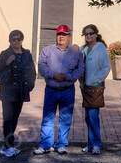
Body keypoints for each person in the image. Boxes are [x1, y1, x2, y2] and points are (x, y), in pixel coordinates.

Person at [34, 25, 84, 155]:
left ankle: (61, 144)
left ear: (69, 37)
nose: (61, 37)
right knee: (48, 118)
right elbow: (41, 65)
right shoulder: (47, 51)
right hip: (51, 89)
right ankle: (45, 144)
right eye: (59, 34)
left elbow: (80, 69)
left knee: (66, 118)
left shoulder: (76, 53)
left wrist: (68, 77)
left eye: (64, 34)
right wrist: (52, 74)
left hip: (67, 90)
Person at [0, 29, 36, 157]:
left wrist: (30, 86)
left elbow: (32, 71)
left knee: (15, 118)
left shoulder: (26, 54)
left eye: (18, 39)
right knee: (8, 119)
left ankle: (7, 145)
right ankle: (9, 145)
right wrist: (6, 62)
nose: (16, 41)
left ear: (22, 40)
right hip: (8, 91)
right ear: (10, 41)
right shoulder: (5, 54)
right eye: (13, 39)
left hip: (21, 91)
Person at [80, 24, 111, 155]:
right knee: (87, 117)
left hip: (94, 87)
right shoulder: (84, 49)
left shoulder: (100, 49)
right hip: (85, 87)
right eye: (86, 34)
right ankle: (90, 143)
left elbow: (106, 67)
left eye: (91, 33)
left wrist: (95, 80)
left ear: (96, 34)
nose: (89, 36)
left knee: (93, 117)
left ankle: (96, 144)